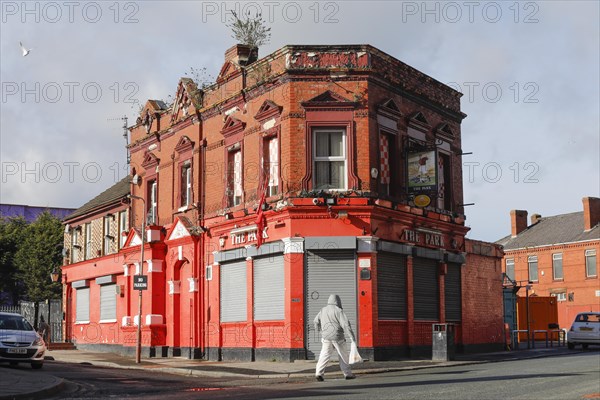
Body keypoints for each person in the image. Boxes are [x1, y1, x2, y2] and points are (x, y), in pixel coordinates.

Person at [314, 294, 356, 381]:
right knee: (343, 355)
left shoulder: (323, 310)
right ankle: (347, 374)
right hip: (338, 337)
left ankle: (319, 373)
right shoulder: (339, 311)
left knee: (324, 355)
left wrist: (320, 332)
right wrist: (352, 338)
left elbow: (315, 321)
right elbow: (346, 325)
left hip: (326, 337)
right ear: (338, 301)